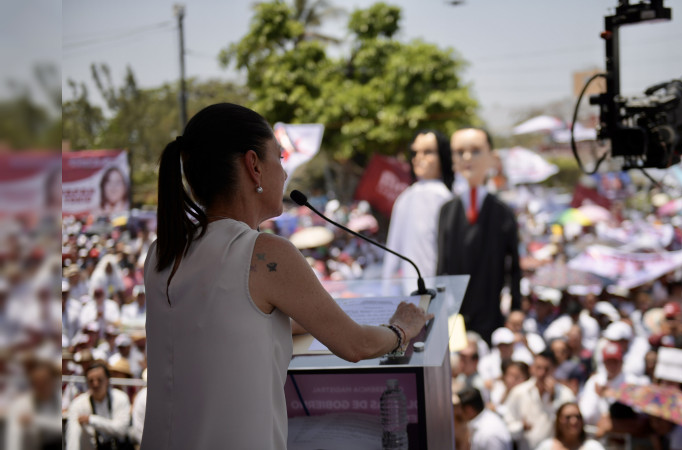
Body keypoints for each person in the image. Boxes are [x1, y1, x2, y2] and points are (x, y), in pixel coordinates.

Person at [141, 103, 431, 449]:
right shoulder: (263, 253)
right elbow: (355, 345)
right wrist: (402, 329)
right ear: (253, 166)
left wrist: (308, 319)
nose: (285, 173)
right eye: (279, 159)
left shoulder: (161, 252)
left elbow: (222, 320)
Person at [437, 126, 521, 344]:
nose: (467, 158)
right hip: (455, 313)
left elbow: (515, 265)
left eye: (475, 151)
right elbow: (441, 264)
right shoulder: (447, 211)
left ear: (492, 158)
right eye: (459, 152)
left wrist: (516, 307)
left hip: (491, 310)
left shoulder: (503, 212)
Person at [382, 129, 454, 279]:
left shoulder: (447, 199)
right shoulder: (405, 198)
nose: (419, 158)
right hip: (410, 291)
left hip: (442, 289)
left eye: (428, 152)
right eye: (415, 153)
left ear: (442, 155)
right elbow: (393, 252)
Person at [504, 349, 576, 450]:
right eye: (538, 368)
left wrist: (553, 398)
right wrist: (521, 427)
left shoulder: (565, 395)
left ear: (554, 369)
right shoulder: (518, 392)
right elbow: (508, 425)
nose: (542, 373)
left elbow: (571, 428)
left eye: (547, 369)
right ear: (532, 368)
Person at [65, 362, 132, 450]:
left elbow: (122, 430)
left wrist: (91, 420)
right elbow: (73, 435)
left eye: (99, 380)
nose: (95, 384)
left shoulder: (120, 398)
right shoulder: (78, 404)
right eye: (91, 381)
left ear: (107, 380)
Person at [534, 402, 605, 450]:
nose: (574, 421)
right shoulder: (546, 446)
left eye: (577, 417)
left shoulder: (593, 447)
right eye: (568, 417)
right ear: (558, 421)